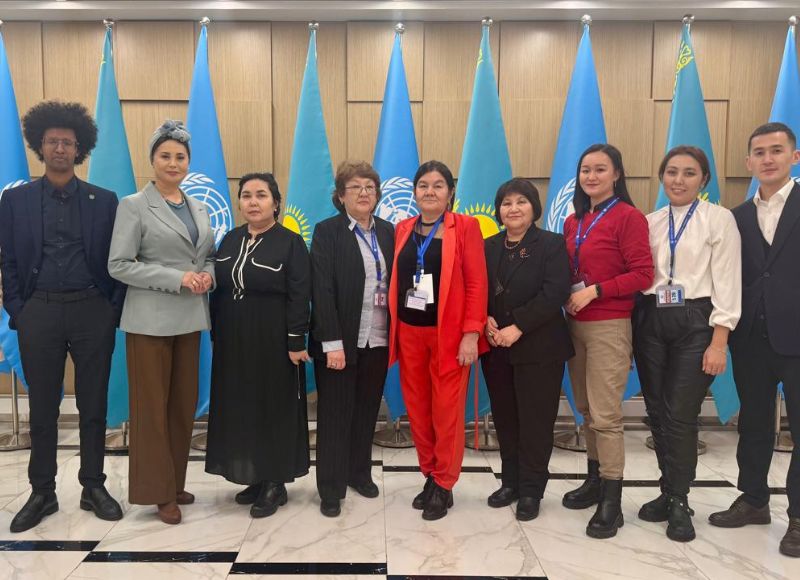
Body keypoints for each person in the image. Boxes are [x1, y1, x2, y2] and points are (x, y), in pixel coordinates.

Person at [0, 101, 125, 533]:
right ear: (40, 145)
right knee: (42, 408)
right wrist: (19, 311)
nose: (59, 148)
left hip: (92, 311)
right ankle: (43, 491)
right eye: (52, 141)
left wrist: (110, 310)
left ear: (79, 148)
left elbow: (118, 261)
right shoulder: (14, 200)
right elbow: (8, 260)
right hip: (39, 313)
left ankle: (93, 485)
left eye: (67, 142)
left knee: (93, 405)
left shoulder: (104, 201)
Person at [108, 121, 216, 525]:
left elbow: (206, 256)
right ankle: (157, 492)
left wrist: (207, 276)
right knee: (151, 410)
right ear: (152, 160)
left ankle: (174, 482)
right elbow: (119, 265)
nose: (174, 163)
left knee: (182, 406)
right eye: (165, 155)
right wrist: (178, 278)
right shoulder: (134, 205)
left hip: (190, 318)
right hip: (149, 321)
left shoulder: (198, 206)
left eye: (180, 157)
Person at [635, 146, 741, 542]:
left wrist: (719, 340)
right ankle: (667, 490)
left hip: (696, 321)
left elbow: (728, 280)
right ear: (662, 176)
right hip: (651, 319)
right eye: (672, 172)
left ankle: (680, 500)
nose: (679, 180)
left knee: (680, 413)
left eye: (689, 173)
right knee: (657, 412)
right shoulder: (650, 222)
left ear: (704, 179)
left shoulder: (719, 219)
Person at [709, 122, 800, 558]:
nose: (768, 159)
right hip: (750, 339)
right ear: (748, 162)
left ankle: (798, 517)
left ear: (794, 157)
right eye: (759, 152)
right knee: (754, 425)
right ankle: (754, 499)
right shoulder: (737, 216)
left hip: (797, 338)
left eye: (776, 150)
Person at [561, 143, 654, 539]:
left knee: (605, 414)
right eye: (586, 170)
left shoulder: (629, 217)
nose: (592, 176)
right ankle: (595, 479)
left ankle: (612, 501)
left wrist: (596, 290)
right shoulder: (574, 220)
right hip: (573, 324)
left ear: (616, 174)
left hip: (609, 325)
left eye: (600, 169)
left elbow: (643, 274)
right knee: (585, 409)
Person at [205, 172, 311, 518]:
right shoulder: (230, 239)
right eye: (247, 195)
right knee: (243, 406)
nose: (253, 202)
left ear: (276, 203)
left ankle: (275, 481)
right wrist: (216, 334)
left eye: (261, 195)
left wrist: (296, 340)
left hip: (274, 340)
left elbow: (300, 295)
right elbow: (218, 291)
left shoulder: (291, 243)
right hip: (233, 339)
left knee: (273, 408)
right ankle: (255, 473)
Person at [387, 160, 488, 521]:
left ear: (450, 192)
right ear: (414, 192)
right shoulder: (402, 228)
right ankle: (430, 474)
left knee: (446, 413)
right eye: (423, 185)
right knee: (418, 410)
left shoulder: (466, 227)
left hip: (449, 335)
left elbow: (476, 283)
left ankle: (445, 482)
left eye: (438, 185)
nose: (430, 191)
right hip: (409, 333)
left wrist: (471, 334)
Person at [481, 178, 573, 521]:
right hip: (496, 348)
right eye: (506, 203)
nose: (513, 208)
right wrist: (484, 318)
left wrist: (518, 326)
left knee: (536, 422)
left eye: (521, 201)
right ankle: (511, 482)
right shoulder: (488, 246)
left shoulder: (551, 244)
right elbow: (477, 288)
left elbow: (555, 292)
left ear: (534, 207)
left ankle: (532, 490)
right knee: (506, 419)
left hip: (539, 348)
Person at [310, 161, 394, 518]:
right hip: (340, 342)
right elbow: (322, 290)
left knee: (366, 411)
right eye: (355, 187)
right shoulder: (327, 232)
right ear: (341, 196)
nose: (363, 193)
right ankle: (331, 487)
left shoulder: (388, 231)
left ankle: (359, 473)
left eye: (370, 187)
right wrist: (332, 343)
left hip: (378, 338)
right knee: (335, 415)